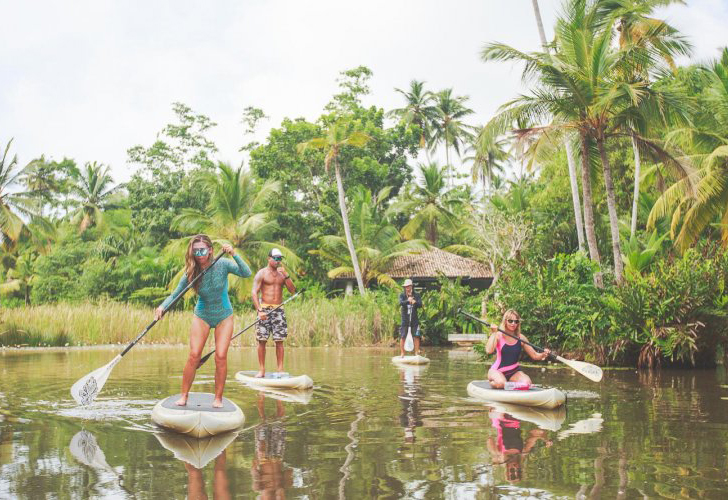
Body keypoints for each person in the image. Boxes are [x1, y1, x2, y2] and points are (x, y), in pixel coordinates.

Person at [155, 234, 251, 408]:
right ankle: (184, 396)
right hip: (202, 315)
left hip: (224, 315)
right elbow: (175, 294)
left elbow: (246, 273)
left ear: (210, 251)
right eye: (196, 251)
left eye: (203, 250)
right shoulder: (192, 272)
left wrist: (234, 254)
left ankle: (218, 398)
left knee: (221, 356)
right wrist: (162, 307)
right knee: (194, 356)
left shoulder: (222, 264)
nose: (199, 254)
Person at [251, 248, 296, 378]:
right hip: (264, 310)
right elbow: (254, 292)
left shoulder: (283, 274)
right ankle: (262, 370)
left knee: (279, 341)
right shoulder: (262, 273)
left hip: (279, 310)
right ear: (269, 258)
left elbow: (293, 291)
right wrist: (259, 310)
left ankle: (280, 370)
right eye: (275, 258)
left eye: (280, 259)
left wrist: (287, 275)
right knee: (262, 340)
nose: (278, 261)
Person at [485, 309, 550, 389]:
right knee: (501, 383)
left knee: (527, 383)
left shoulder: (521, 338)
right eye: (510, 321)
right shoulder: (498, 335)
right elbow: (489, 350)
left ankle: (508, 384)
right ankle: (496, 383)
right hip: (497, 370)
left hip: (514, 372)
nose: (513, 324)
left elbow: (534, 355)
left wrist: (543, 354)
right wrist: (494, 333)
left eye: (516, 321)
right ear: (505, 321)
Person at [398, 279, 423, 357]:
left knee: (416, 336)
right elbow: (401, 303)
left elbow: (420, 305)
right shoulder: (402, 295)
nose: (407, 288)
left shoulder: (417, 295)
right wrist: (408, 301)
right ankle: (402, 353)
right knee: (403, 336)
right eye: (406, 287)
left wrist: (415, 302)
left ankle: (416, 353)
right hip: (405, 319)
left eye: (408, 286)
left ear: (411, 286)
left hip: (414, 319)